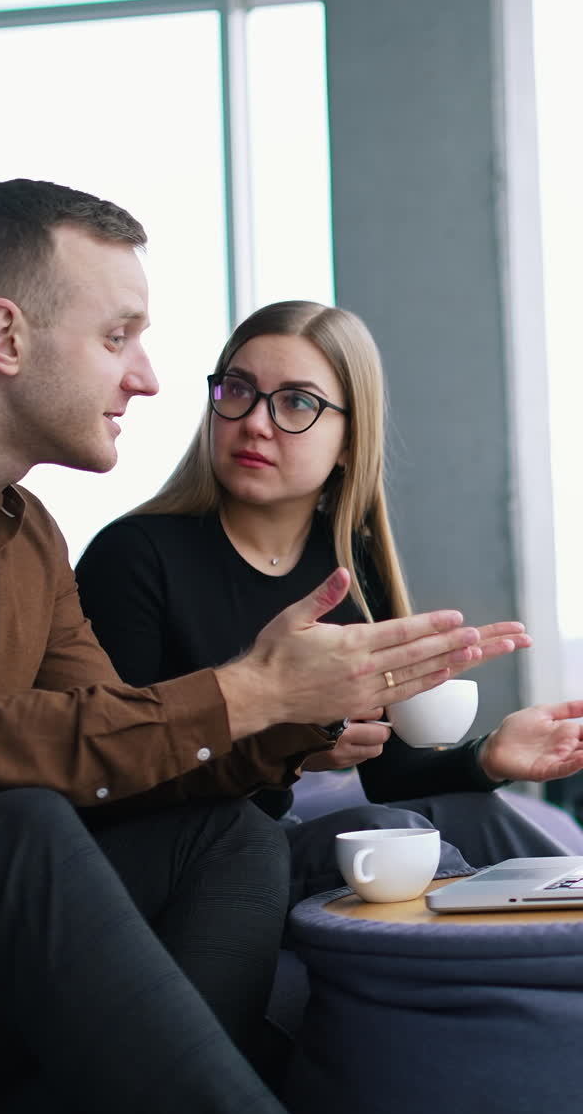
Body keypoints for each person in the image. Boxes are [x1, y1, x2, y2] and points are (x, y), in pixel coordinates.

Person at [0, 179, 519, 1114]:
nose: (151, 376)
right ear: (6, 334)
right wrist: (251, 693)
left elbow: (114, 741)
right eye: (119, 334)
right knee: (20, 829)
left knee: (230, 835)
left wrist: (289, 728)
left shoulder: (28, 540)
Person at [75, 298, 583, 896]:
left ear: (349, 441)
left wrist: (490, 756)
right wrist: (288, 745)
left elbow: (390, 772)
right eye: (238, 390)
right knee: (384, 831)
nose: (256, 422)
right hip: (190, 853)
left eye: (296, 402)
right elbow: (110, 773)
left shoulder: (349, 563)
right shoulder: (134, 556)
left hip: (270, 841)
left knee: (482, 817)